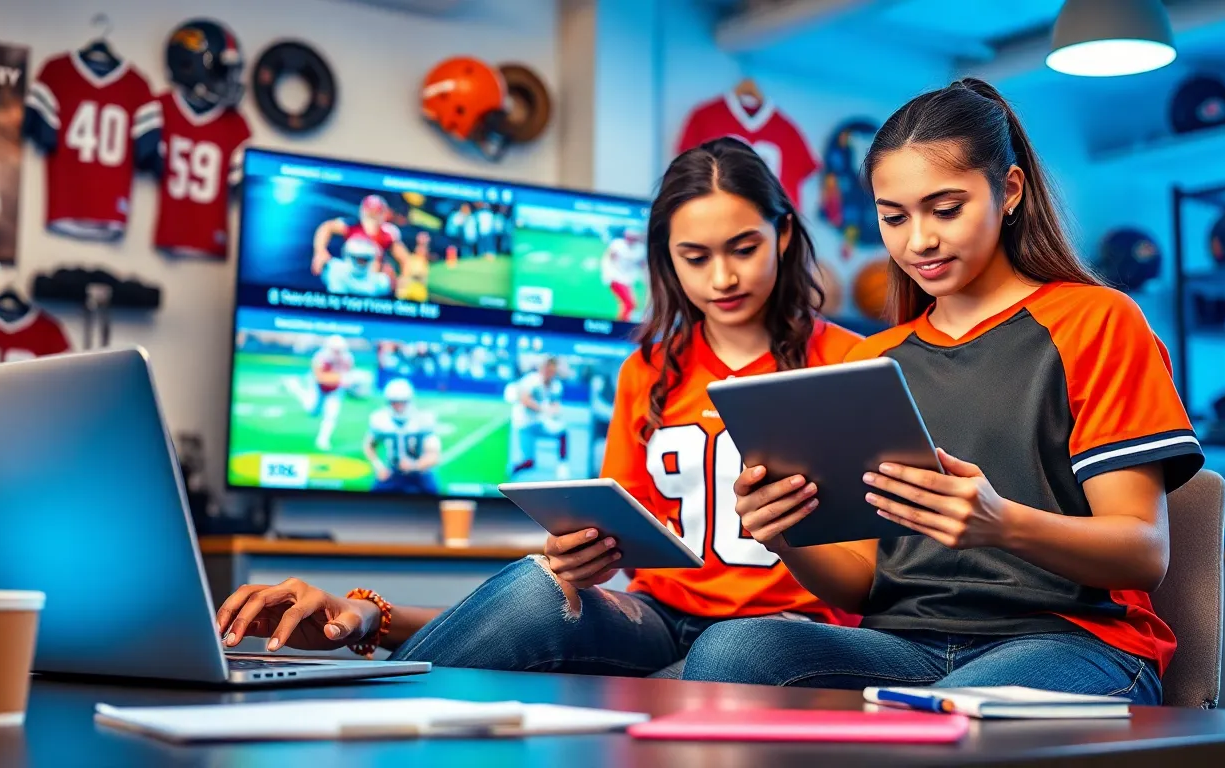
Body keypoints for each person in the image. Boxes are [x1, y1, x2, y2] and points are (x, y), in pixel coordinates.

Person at [214, 137, 864, 675]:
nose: (721, 278)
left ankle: (365, 655)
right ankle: (358, 715)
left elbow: (872, 564)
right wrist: (582, 552)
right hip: (661, 617)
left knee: (735, 646)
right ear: (666, 257)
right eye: (695, 256)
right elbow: (625, 536)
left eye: (742, 249)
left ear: (781, 235)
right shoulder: (647, 369)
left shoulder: (849, 359)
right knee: (536, 583)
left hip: (792, 627)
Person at [678, 79, 1204, 705]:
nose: (918, 241)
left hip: (1074, 640)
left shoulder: (1097, 321)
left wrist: (1001, 523)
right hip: (906, 642)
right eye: (894, 217)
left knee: (941, 712)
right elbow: (861, 584)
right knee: (731, 650)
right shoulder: (872, 360)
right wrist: (785, 534)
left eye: (945, 209)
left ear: (1009, 191)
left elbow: (1143, 552)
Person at [365, 378, 441, 494]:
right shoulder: (380, 419)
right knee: (370, 505)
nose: (398, 405)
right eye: (394, 401)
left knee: (435, 502)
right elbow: (369, 446)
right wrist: (379, 466)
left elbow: (434, 455)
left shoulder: (423, 419)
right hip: (392, 472)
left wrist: (414, 465)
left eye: (402, 401)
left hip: (420, 472)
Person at [284, 334, 357, 452]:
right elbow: (320, 377)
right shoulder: (320, 357)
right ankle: (295, 387)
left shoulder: (347, 358)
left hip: (335, 389)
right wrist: (341, 378)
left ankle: (323, 440)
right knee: (312, 411)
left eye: (339, 350)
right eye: (335, 350)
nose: (337, 353)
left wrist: (349, 382)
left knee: (332, 414)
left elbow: (349, 374)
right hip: (318, 386)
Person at [311, 194, 410, 280]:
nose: (372, 217)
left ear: (383, 215)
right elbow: (326, 227)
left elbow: (404, 259)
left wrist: (402, 280)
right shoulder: (352, 225)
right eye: (370, 212)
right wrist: (320, 251)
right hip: (348, 276)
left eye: (376, 213)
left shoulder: (387, 233)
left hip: (370, 281)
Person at [508, 356, 570, 480]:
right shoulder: (531, 380)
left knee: (562, 433)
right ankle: (509, 472)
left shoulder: (556, 385)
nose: (550, 373)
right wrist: (543, 408)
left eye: (553, 371)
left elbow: (555, 403)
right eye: (548, 369)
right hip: (525, 424)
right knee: (529, 463)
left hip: (540, 423)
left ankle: (562, 465)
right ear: (543, 368)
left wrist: (555, 411)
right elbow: (525, 400)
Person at [601, 226, 647, 322]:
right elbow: (610, 258)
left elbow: (642, 265)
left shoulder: (640, 249)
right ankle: (621, 323)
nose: (630, 239)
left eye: (633, 238)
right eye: (629, 237)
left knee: (631, 304)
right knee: (629, 304)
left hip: (627, 280)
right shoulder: (617, 244)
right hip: (615, 277)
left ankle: (622, 322)